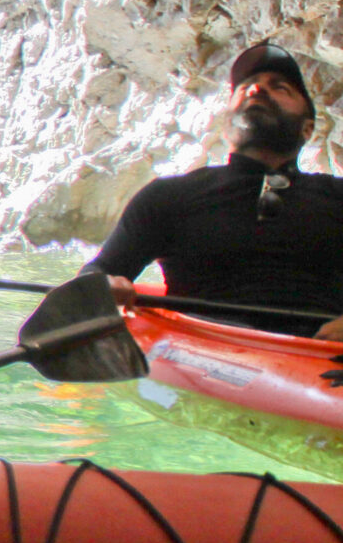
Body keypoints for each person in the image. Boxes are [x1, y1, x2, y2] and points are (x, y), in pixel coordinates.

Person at [89, 40, 343, 340]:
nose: (257, 89)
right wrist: (101, 287)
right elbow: (98, 273)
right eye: (245, 86)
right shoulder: (168, 197)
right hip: (202, 350)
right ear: (226, 128)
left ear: (307, 129)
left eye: (280, 88)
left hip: (322, 362)